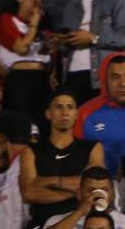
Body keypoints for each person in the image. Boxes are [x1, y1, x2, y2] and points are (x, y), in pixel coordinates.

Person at [19, 90, 106, 229]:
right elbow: (29, 194)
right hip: (42, 223)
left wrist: (49, 181)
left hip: (81, 223)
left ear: (76, 114)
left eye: (70, 107)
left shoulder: (93, 148)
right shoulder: (30, 151)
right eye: (59, 107)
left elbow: (95, 187)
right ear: (48, 114)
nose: (65, 112)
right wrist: (77, 193)